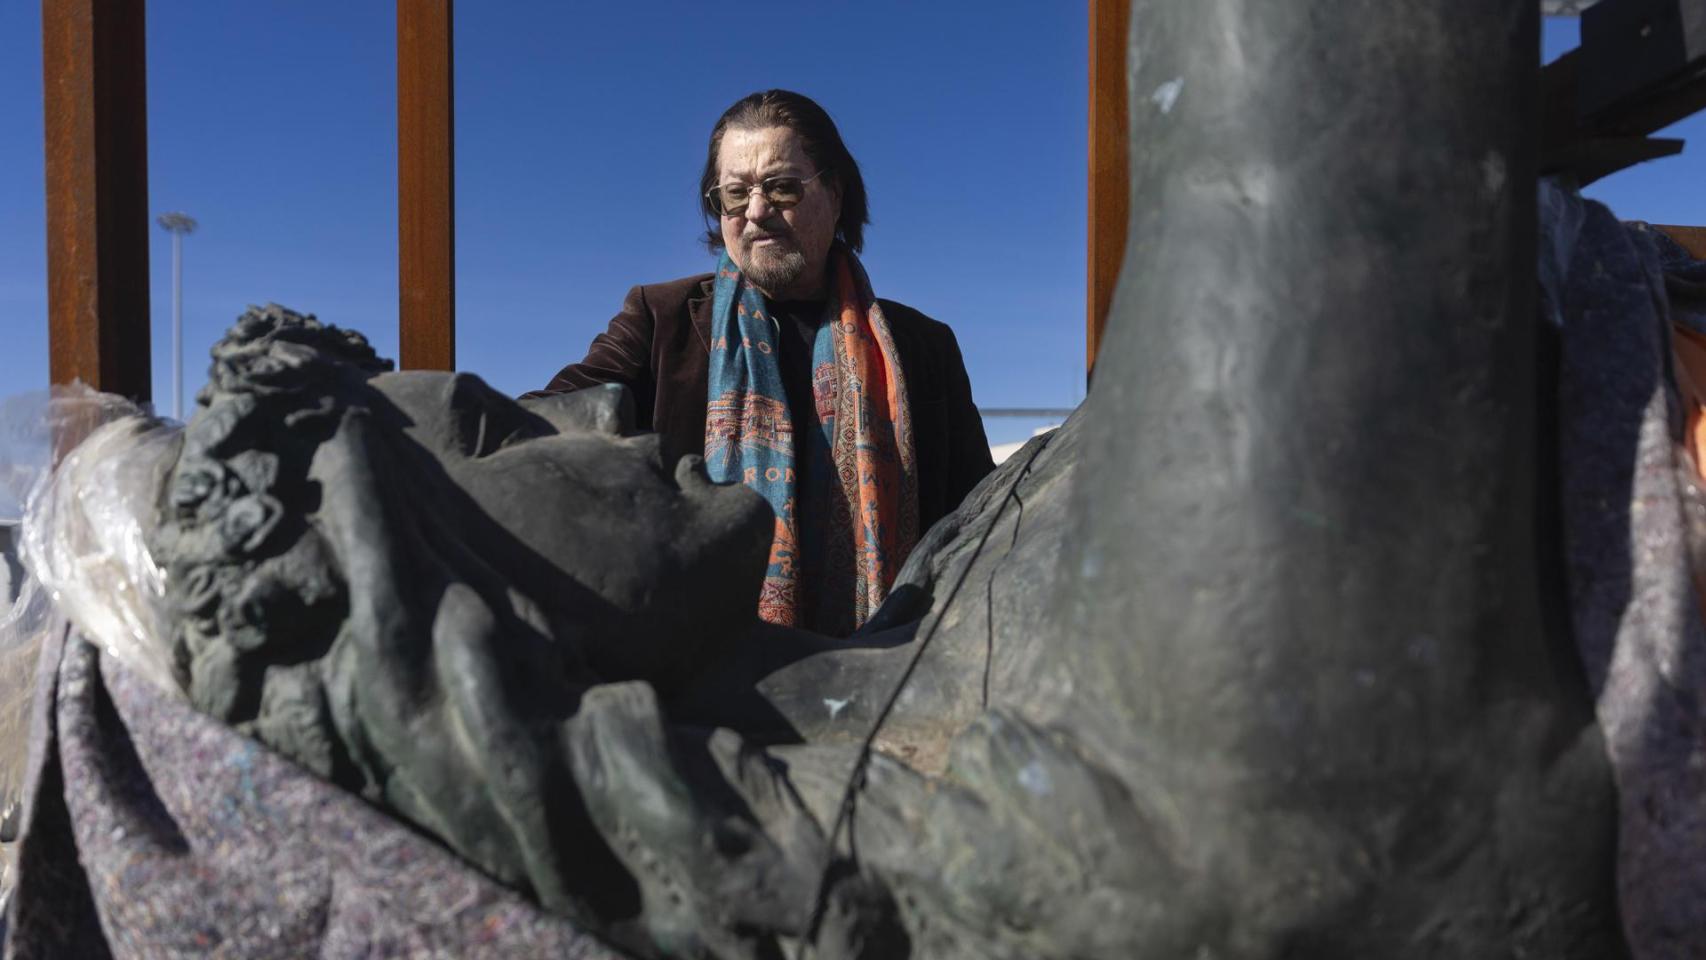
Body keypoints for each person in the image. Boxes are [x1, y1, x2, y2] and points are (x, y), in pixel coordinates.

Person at [535, 90, 993, 636]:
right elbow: (551, 418)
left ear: (836, 194)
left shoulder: (922, 346)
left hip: (888, 667)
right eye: (735, 194)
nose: (755, 212)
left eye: (782, 188)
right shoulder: (660, 320)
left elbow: (980, 516)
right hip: (693, 670)